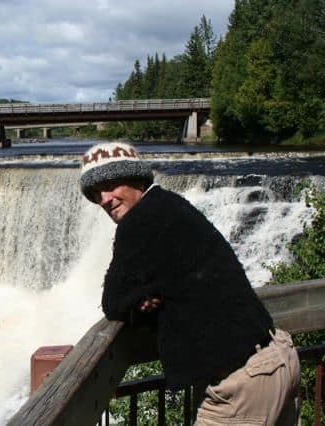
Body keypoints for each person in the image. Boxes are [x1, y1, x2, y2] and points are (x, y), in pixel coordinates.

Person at [80, 142, 301, 425]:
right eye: (96, 193)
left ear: (135, 178)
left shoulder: (138, 223)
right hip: (278, 354)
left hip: (241, 384)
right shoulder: (171, 204)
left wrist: (144, 298)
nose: (104, 199)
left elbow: (113, 302)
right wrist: (147, 296)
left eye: (110, 185)